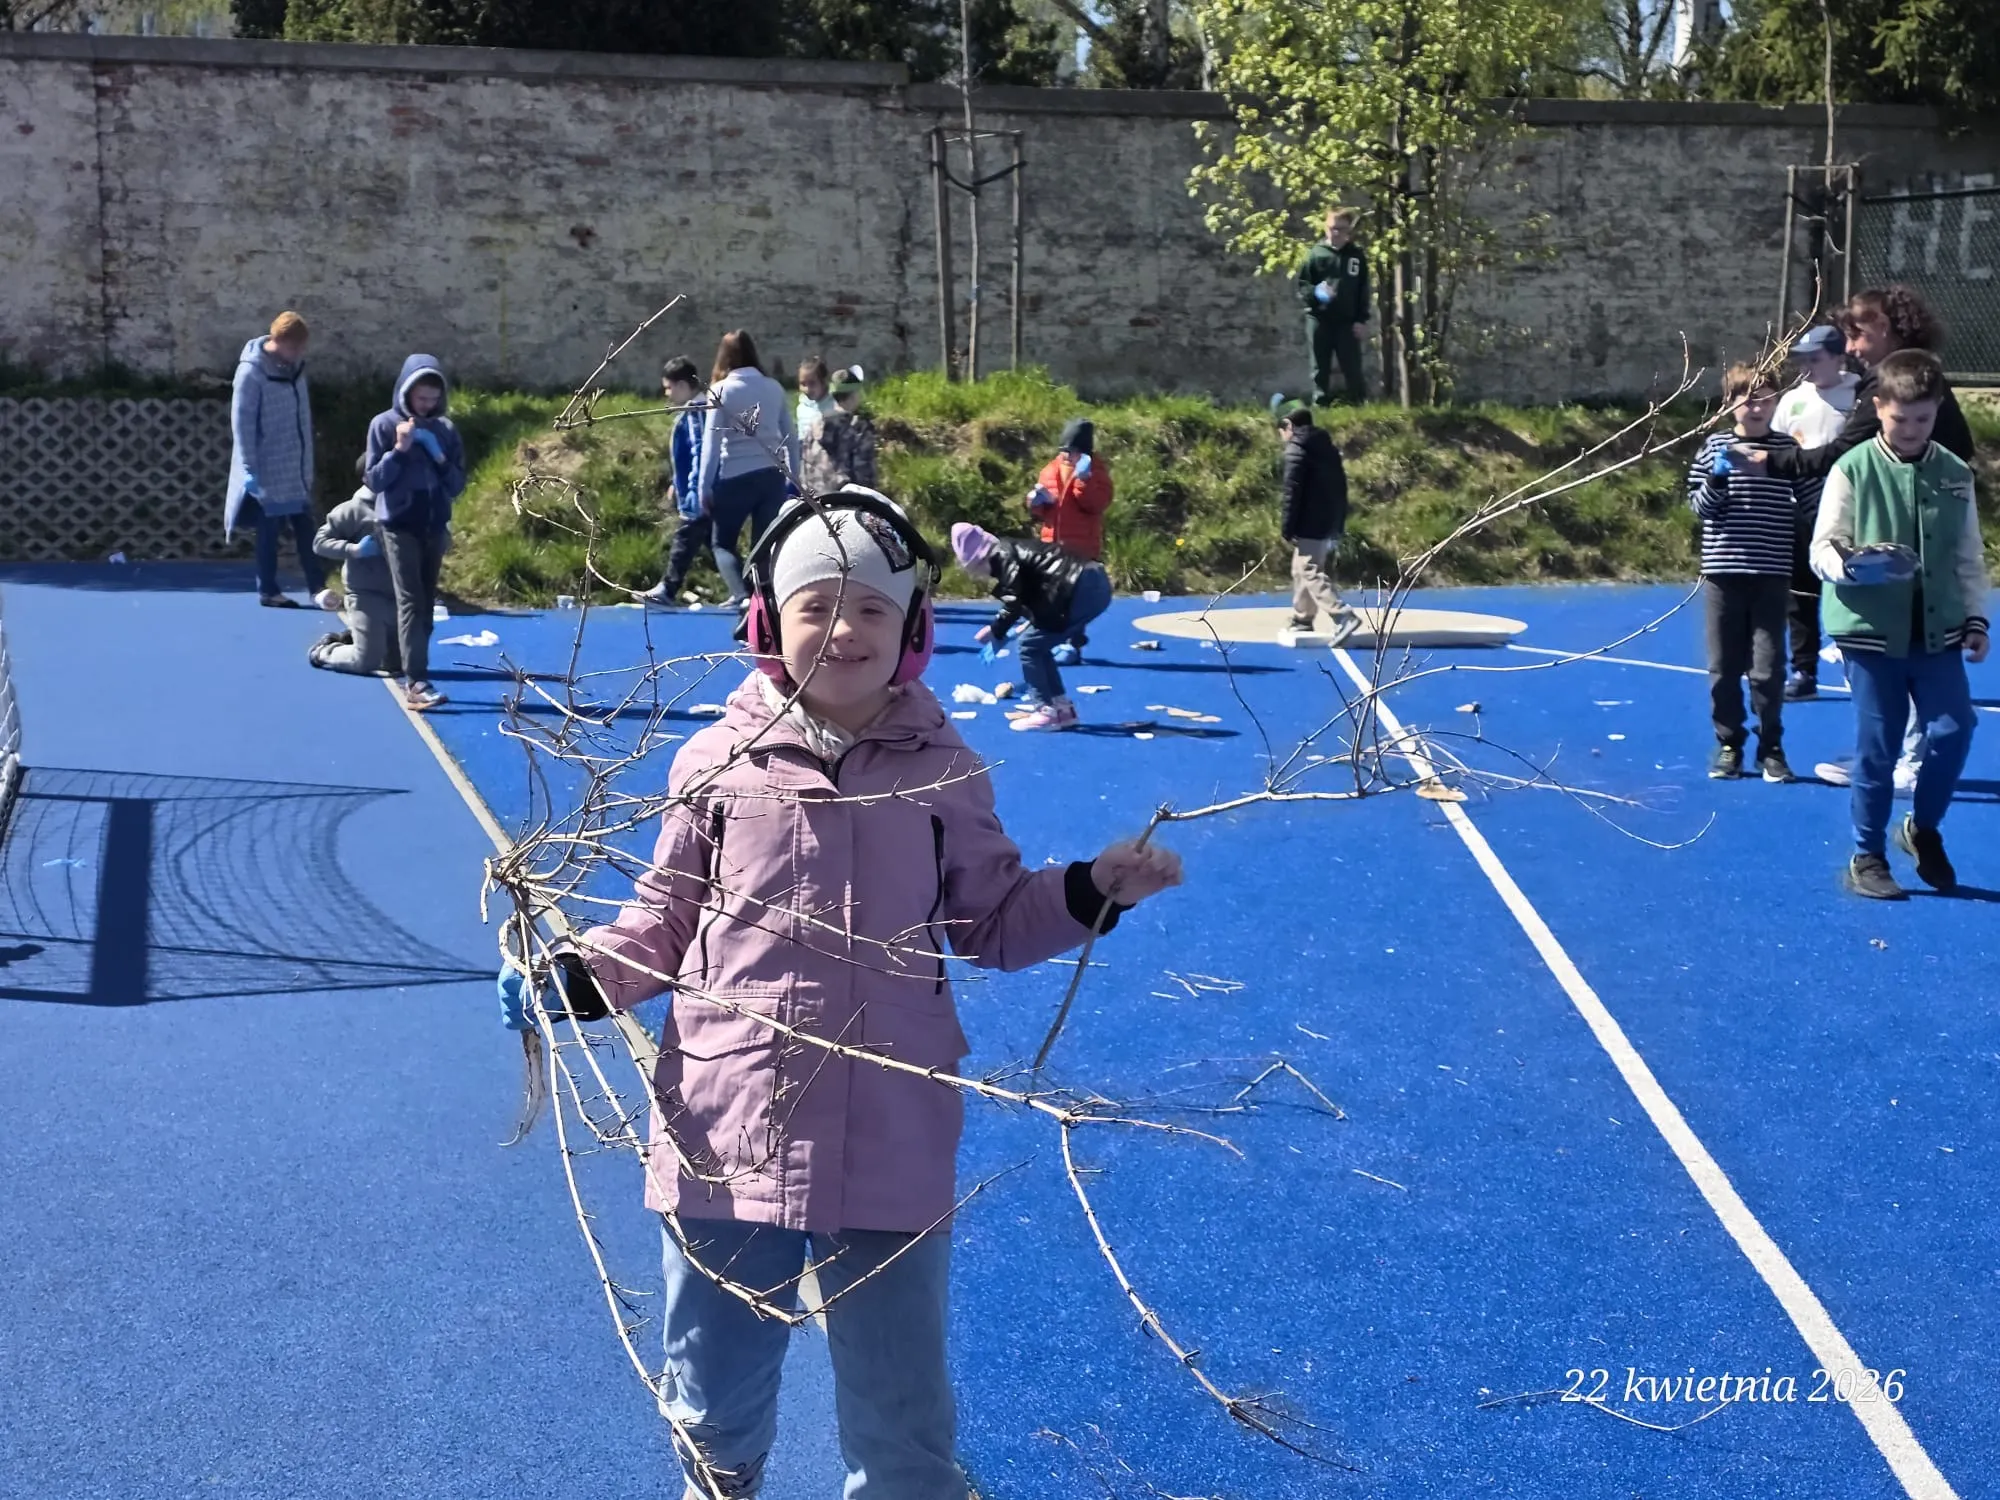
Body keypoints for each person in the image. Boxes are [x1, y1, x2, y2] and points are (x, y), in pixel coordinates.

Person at [496, 491, 1183, 1500]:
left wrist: (1088, 890)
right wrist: (573, 976)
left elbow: (989, 924)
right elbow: (657, 924)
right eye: (815, 606)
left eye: (869, 608)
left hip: (889, 1129)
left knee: (901, 1418)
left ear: (910, 629)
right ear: (769, 623)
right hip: (724, 1132)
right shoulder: (713, 765)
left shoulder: (945, 773)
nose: (843, 629)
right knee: (713, 1397)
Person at [1741, 286, 1977, 791]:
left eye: (1857, 333)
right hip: (1894, 524)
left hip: (1919, 533)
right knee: (1892, 658)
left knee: (1917, 652)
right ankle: (1887, 754)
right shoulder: (1888, 382)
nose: (1850, 346)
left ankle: (1904, 763)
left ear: (1886, 330)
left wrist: (1770, 461)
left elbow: (1838, 454)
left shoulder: (1900, 388)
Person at [1810, 348, 1988, 900]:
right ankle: (1868, 854)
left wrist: (1977, 618)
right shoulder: (1854, 467)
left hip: (1938, 632)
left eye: (1923, 419)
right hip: (1869, 632)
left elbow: (1968, 556)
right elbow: (1822, 548)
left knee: (1955, 732)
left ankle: (1921, 830)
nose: (1910, 429)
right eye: (1898, 418)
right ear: (1879, 407)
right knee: (1879, 746)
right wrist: (1851, 565)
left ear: (1936, 412)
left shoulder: (1954, 475)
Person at [1688, 362, 1810, 783]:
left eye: (1766, 398)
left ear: (1776, 402)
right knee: (1723, 665)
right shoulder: (1713, 447)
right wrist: (1719, 479)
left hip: (1772, 574)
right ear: (1730, 403)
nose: (1757, 406)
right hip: (1724, 573)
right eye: (1747, 398)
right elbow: (1701, 509)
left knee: (1768, 667)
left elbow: (1809, 505)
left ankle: (1771, 746)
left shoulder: (1785, 451)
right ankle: (1728, 743)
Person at [364, 354, 466, 713]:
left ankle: (401, 661)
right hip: (397, 524)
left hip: (433, 524)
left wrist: (438, 456)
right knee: (411, 600)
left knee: (425, 603)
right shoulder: (383, 424)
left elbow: (456, 485)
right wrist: (399, 450)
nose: (427, 405)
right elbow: (374, 480)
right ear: (405, 392)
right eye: (420, 397)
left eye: (432, 399)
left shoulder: (446, 430)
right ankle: (416, 681)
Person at [951, 522, 1113, 733]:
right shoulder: (1015, 550)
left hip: (1080, 587)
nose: (981, 576)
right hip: (1093, 581)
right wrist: (1007, 630)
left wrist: (996, 630)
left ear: (978, 560)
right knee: (1038, 644)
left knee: (1028, 646)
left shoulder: (1002, 557)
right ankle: (1062, 709)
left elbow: (1013, 601)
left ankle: (1045, 710)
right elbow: (1036, 599)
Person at [1772, 323, 1860, 699]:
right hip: (1800, 509)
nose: (1807, 367)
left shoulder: (1858, 393)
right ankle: (1804, 671)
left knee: (1851, 587)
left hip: (1848, 508)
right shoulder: (1792, 400)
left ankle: (1858, 665)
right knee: (1801, 592)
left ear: (1839, 358)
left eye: (1816, 359)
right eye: (1802, 360)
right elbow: (1777, 449)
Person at [225, 310, 335, 611]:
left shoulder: (295, 368)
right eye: (294, 347)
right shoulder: (251, 373)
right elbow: (243, 422)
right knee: (269, 531)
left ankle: (317, 587)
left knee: (306, 529)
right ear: (277, 341)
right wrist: (249, 467)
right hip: (268, 467)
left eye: (301, 347)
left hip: (296, 464)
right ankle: (269, 590)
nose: (299, 353)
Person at [698, 331, 800, 613]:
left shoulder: (720, 391)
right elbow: (790, 436)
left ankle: (741, 594)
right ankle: (762, 603)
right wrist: (795, 476)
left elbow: (711, 443)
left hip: (735, 476)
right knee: (763, 546)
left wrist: (703, 487)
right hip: (771, 476)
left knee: (722, 543)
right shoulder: (774, 388)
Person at [1029, 418, 1113, 664]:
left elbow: (1096, 504)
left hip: (1080, 547)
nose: (1067, 456)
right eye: (1063, 450)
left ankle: (1073, 645)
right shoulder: (1049, 470)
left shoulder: (1096, 473)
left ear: (1084, 452)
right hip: (1051, 547)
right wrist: (1035, 502)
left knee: (1075, 598)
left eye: (1073, 451)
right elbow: (1041, 512)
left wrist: (1083, 480)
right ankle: (1054, 641)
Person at [307, 458, 401, 677]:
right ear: (366, 478)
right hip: (366, 593)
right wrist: (355, 550)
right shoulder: (353, 510)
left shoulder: (405, 504)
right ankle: (325, 651)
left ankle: (355, 635)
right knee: (365, 661)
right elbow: (319, 543)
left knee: (398, 665)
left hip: (399, 595)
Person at [1275, 407, 1356, 644]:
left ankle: (1342, 615)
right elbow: (1341, 486)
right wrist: (1338, 520)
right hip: (1327, 517)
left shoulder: (1296, 450)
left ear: (1289, 426)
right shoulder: (1326, 447)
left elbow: (1292, 492)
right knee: (1300, 568)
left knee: (1309, 569)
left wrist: (1287, 527)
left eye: (1282, 430)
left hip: (1310, 520)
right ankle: (1303, 618)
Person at [642, 356, 709, 608]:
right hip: (692, 489)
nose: (667, 394)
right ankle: (746, 591)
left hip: (698, 492)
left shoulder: (695, 413)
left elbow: (699, 452)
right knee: (717, 544)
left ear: (682, 385)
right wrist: (675, 482)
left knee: (685, 540)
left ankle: (667, 589)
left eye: (669, 388)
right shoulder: (694, 411)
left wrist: (693, 489)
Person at [1294, 208, 1371, 406]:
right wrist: (1317, 294)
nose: (1335, 233)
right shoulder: (1315, 255)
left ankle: (1358, 403)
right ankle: (1321, 404)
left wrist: (1361, 320)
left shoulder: (1356, 256)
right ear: (1325, 228)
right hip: (1319, 320)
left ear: (1349, 231)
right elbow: (1302, 287)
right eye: (1331, 228)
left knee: (1352, 365)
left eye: (1340, 229)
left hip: (1347, 322)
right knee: (1320, 367)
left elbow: (1363, 290)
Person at [800, 366, 878, 495]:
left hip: (817, 504)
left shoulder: (813, 427)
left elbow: (804, 473)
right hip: (848, 505)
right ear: (855, 395)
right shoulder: (859, 428)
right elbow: (865, 475)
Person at [795, 354, 834, 443]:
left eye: (812, 383)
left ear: (824, 382)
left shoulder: (834, 406)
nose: (807, 389)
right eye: (803, 384)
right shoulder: (802, 407)